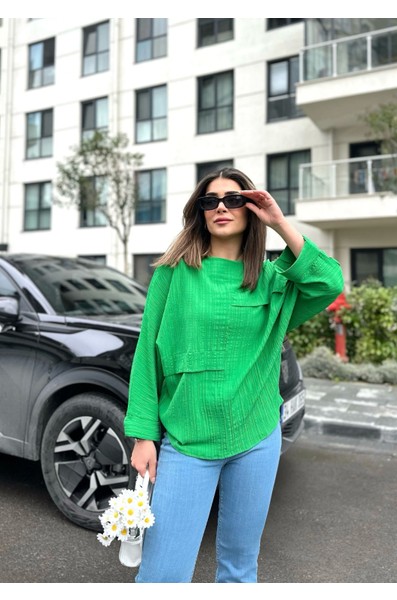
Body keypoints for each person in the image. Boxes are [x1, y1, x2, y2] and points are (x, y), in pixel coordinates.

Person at [124, 167, 344, 583]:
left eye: (234, 199)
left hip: (256, 437)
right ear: (200, 212)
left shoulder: (272, 280)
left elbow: (329, 283)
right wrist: (142, 435)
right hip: (187, 439)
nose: (221, 207)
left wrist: (279, 223)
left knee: (240, 570)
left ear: (251, 208)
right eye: (210, 201)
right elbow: (147, 355)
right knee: (162, 576)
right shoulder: (172, 273)